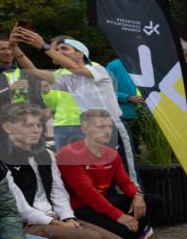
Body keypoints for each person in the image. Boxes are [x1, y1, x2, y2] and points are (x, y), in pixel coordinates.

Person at [0, 102, 127, 239]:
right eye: (28, 125)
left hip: (55, 216)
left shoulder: (46, 153)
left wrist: (67, 217)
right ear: (7, 127)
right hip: (26, 224)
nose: (36, 129)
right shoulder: (0, 159)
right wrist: (53, 222)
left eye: (39, 125)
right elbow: (18, 207)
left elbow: (58, 191)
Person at [56, 109, 163, 239]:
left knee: (152, 201)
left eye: (109, 127)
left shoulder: (111, 153)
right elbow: (88, 194)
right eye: (100, 127)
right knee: (123, 229)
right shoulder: (68, 155)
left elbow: (125, 182)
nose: (106, 131)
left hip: (103, 202)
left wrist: (137, 196)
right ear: (85, 129)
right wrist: (119, 216)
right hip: (80, 208)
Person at [11, 26, 138, 183]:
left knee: (127, 173)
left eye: (64, 48)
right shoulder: (67, 78)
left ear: (80, 53)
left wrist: (44, 46)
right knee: (101, 175)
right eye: (57, 49)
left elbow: (78, 69)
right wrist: (15, 49)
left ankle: (138, 200)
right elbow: (35, 72)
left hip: (112, 127)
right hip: (90, 133)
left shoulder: (96, 69)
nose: (58, 51)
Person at [106, 56, 144, 165]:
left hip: (147, 116)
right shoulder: (114, 65)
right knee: (130, 150)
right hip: (125, 115)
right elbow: (105, 91)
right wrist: (127, 97)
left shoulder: (144, 62)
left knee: (149, 150)